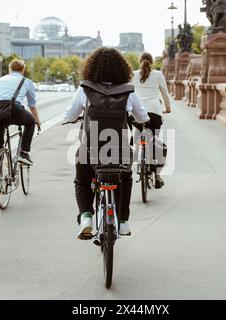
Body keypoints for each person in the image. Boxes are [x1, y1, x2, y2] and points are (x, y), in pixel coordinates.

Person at [65, 47, 150, 240]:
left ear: (92, 68)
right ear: (122, 69)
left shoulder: (85, 88)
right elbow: (142, 117)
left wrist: (74, 118)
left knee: (82, 179)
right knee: (125, 177)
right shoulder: (129, 91)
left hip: (90, 149)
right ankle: (123, 222)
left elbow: (70, 115)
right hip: (118, 150)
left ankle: (86, 217)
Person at [0, 59, 41, 172]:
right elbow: (32, 106)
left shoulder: (1, 79)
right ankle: (23, 153)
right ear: (23, 70)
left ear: (10, 69)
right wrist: (38, 121)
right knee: (30, 122)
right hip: (13, 109)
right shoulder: (27, 82)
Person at [131, 52, 171, 188]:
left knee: (136, 140)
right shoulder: (158, 74)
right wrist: (168, 107)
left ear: (139, 61)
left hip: (137, 112)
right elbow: (165, 92)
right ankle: (157, 175)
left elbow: (128, 92)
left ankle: (131, 165)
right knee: (154, 143)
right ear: (152, 62)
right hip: (154, 112)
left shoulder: (133, 74)